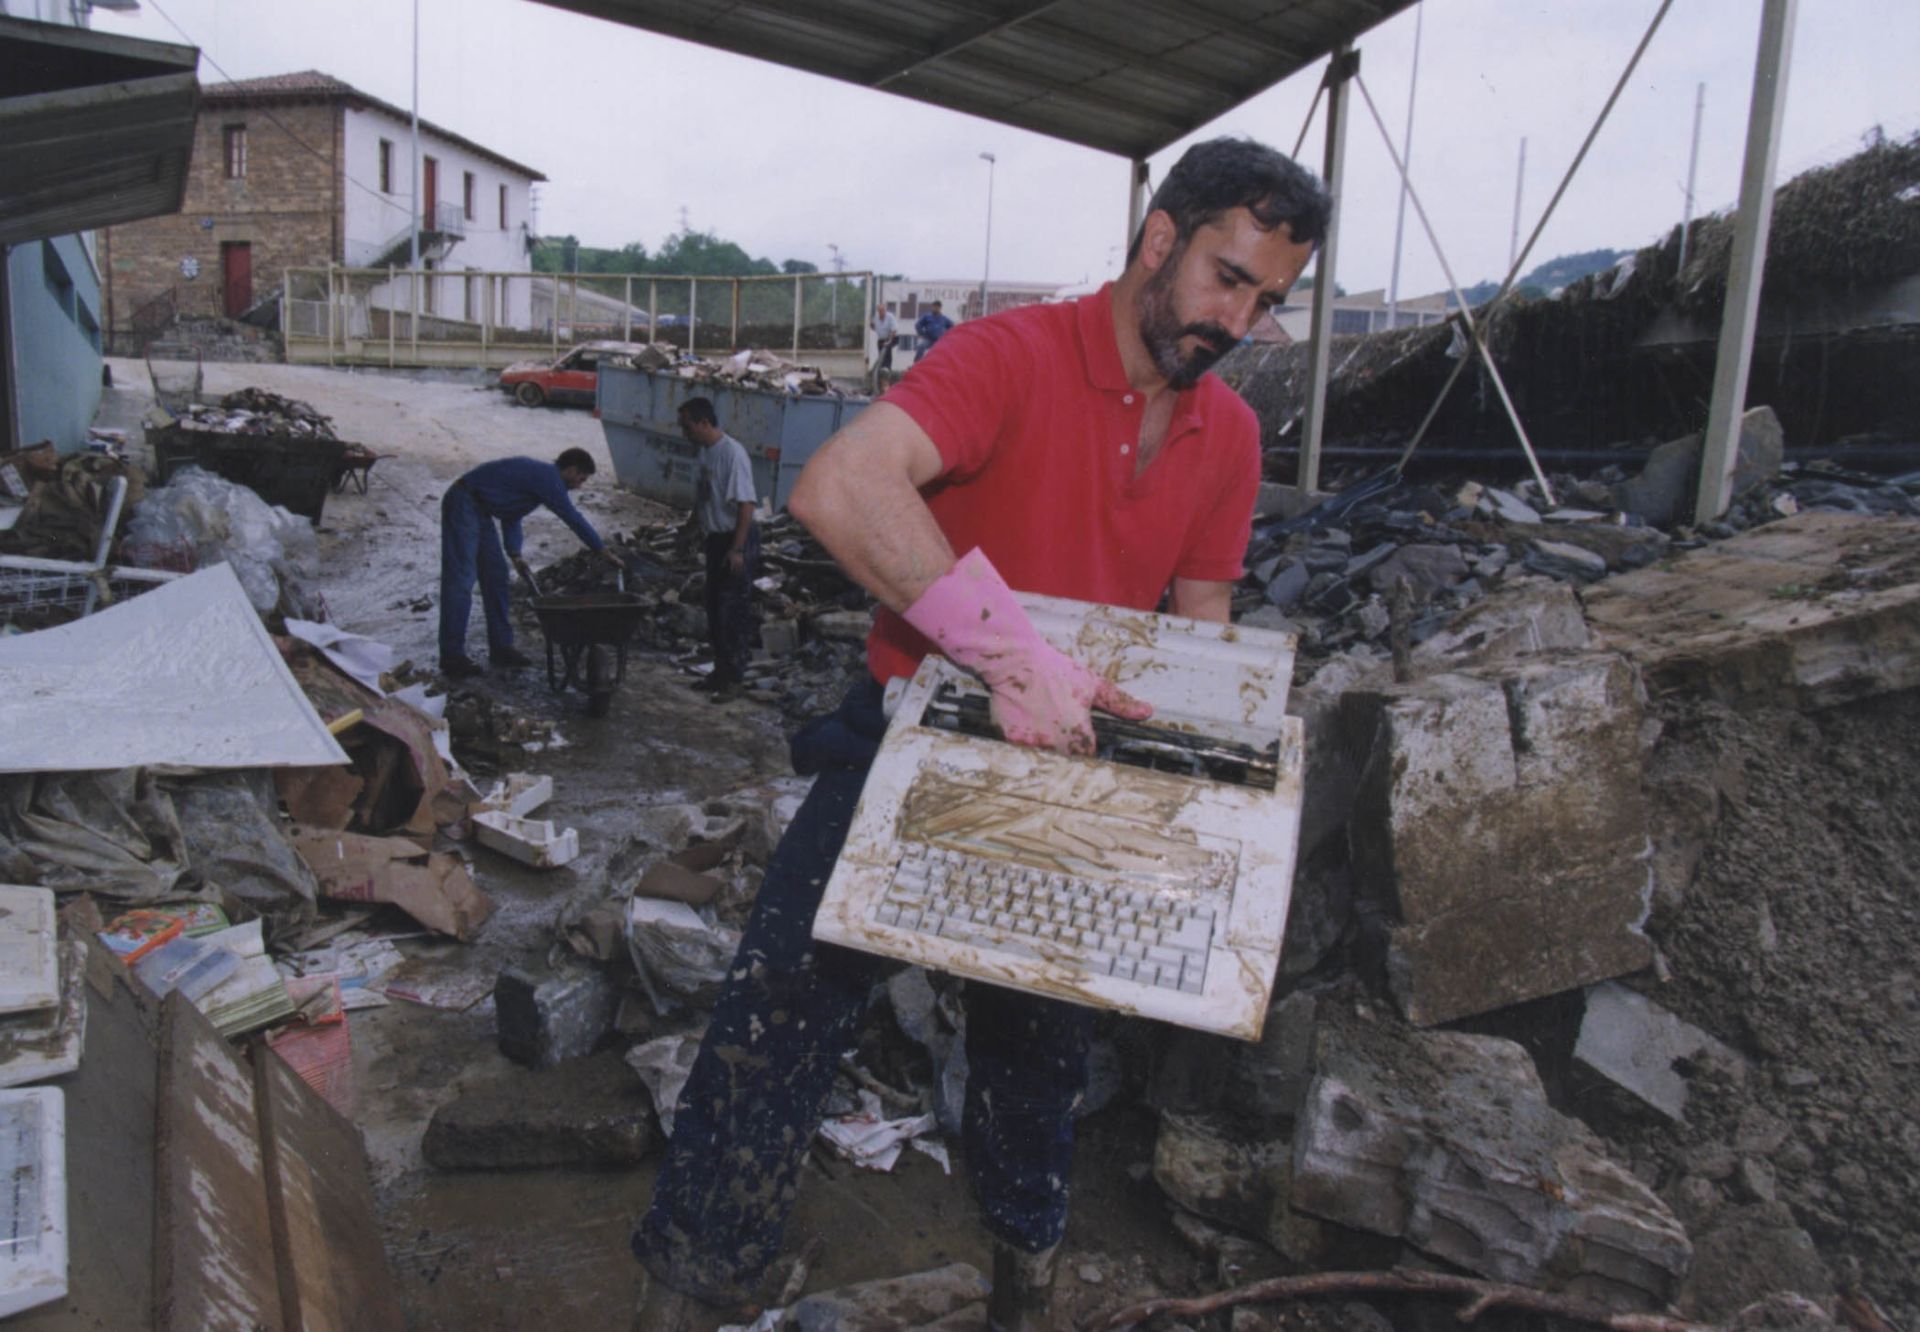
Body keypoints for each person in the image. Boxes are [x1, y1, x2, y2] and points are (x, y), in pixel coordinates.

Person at [632, 137, 1330, 1332]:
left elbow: (1200, 630)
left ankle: (1024, 1287)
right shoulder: (1012, 356)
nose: (1240, 320)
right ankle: (694, 1287)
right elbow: (844, 486)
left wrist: (1211, 828)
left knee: (1039, 1054)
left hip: (1071, 766)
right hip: (916, 728)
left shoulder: (1230, 437)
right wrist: (1003, 654)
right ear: (1158, 240)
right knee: (781, 1011)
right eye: (1228, 278)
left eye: (1268, 300)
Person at [438, 447, 619, 678]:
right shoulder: (549, 478)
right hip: (464, 501)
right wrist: (601, 549)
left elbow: (512, 514)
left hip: (481, 510)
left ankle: (501, 647)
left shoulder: (540, 479)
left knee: (496, 576)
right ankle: (451, 655)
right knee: (461, 580)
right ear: (571, 470)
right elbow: (572, 517)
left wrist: (515, 554)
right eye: (581, 479)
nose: (579, 485)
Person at [675, 396, 760, 700]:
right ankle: (720, 673)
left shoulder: (732, 454)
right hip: (716, 538)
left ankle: (734, 678)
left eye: (687, 426)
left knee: (731, 609)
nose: (684, 432)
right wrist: (691, 530)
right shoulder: (705, 453)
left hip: (737, 537)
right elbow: (703, 498)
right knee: (713, 606)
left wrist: (736, 549)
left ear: (704, 422)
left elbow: (746, 505)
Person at [870, 303, 899, 373]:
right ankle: (881, 368)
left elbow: (894, 330)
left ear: (885, 310)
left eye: (883, 310)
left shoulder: (890, 316)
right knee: (881, 353)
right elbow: (873, 325)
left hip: (892, 337)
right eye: (880, 310)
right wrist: (874, 327)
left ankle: (887, 368)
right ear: (878, 311)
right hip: (881, 339)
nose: (881, 312)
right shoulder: (876, 317)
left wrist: (889, 341)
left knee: (887, 348)